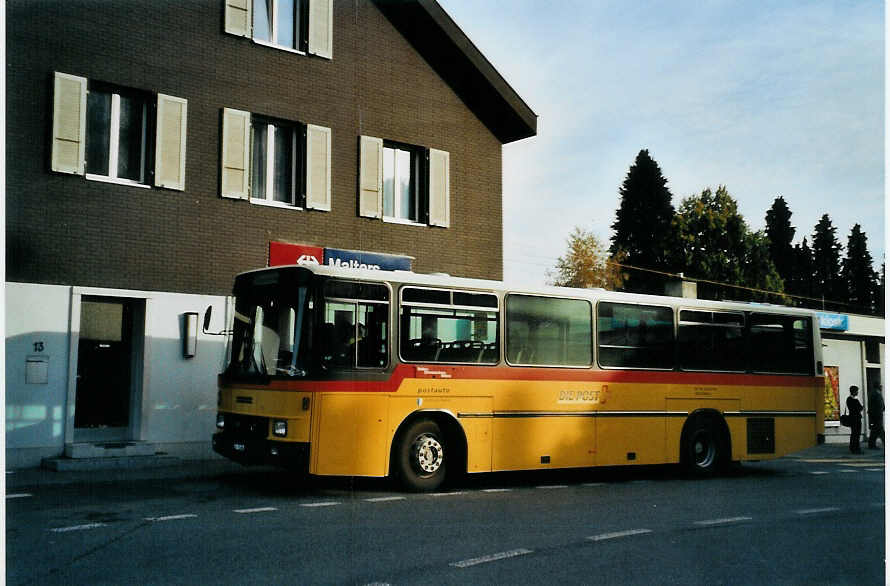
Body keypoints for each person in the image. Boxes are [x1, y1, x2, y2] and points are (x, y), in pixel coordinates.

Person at [846, 386, 864, 454]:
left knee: (854, 434)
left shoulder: (849, 399)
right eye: (856, 391)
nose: (857, 392)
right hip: (855, 419)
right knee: (856, 434)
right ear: (854, 391)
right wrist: (860, 407)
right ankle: (855, 448)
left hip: (853, 418)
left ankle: (853, 447)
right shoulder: (853, 399)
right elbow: (859, 408)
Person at [867, 384, 884, 449]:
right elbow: (875, 405)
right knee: (878, 430)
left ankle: (871, 444)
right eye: (880, 386)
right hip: (876, 415)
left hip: (877, 415)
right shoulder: (875, 394)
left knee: (875, 431)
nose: (881, 387)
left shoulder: (876, 393)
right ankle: (872, 445)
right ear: (878, 387)